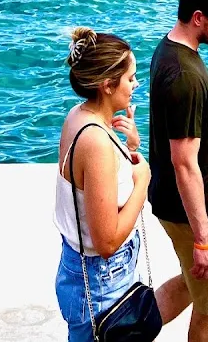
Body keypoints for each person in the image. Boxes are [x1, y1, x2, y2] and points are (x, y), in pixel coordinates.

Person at [149, 0, 208, 342]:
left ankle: (123, 332)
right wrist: (203, 240)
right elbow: (184, 163)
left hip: (176, 202)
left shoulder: (168, 50)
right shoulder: (185, 75)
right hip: (191, 211)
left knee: (193, 282)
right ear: (199, 17)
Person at [53, 27, 151, 342]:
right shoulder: (96, 141)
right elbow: (106, 242)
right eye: (130, 78)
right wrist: (143, 184)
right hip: (102, 280)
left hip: (81, 271)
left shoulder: (78, 117)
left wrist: (132, 144)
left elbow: (101, 181)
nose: (135, 85)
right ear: (108, 85)